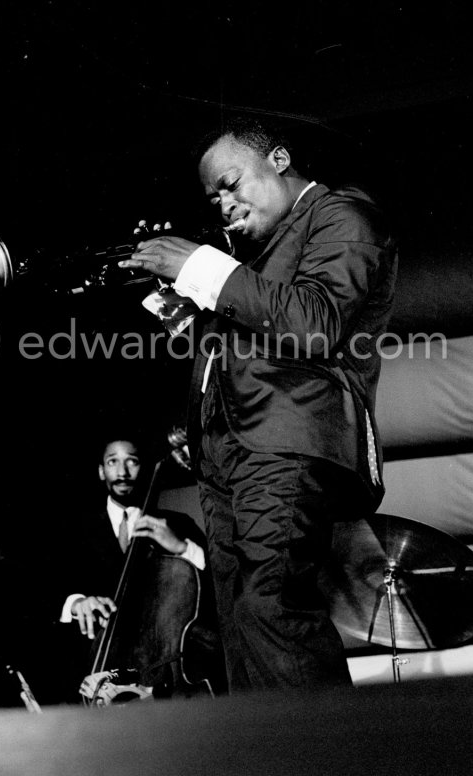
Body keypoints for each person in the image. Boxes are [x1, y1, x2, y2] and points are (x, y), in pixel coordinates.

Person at [119, 116, 398, 692]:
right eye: (212, 196)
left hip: (287, 439)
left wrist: (196, 264)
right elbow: (224, 347)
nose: (222, 204)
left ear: (278, 159)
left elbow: (315, 323)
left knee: (272, 606)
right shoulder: (255, 257)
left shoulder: (342, 215)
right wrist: (161, 289)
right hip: (229, 452)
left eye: (229, 183)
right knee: (243, 623)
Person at [59, 432, 223, 699]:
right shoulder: (76, 531)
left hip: (162, 671)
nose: (122, 471)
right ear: (101, 471)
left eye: (132, 461)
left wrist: (181, 547)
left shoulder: (176, 524)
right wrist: (76, 602)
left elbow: (220, 579)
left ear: (142, 467)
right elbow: (52, 585)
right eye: (113, 462)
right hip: (100, 666)